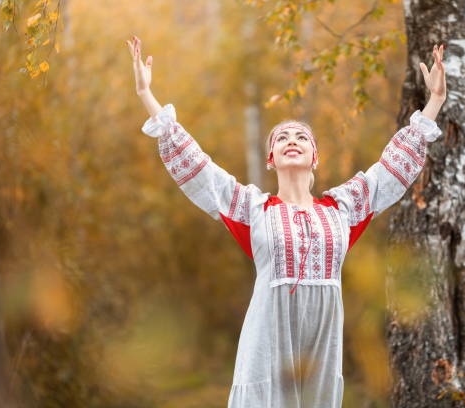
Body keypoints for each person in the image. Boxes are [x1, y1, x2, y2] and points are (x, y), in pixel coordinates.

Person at [127, 35, 446, 408]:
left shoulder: (341, 208)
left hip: (322, 343)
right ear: (270, 159)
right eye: (282, 138)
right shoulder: (252, 208)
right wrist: (147, 96)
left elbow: (390, 169)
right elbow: (200, 169)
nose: (291, 141)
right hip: (268, 341)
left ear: (315, 158)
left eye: (301, 138)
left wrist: (435, 102)